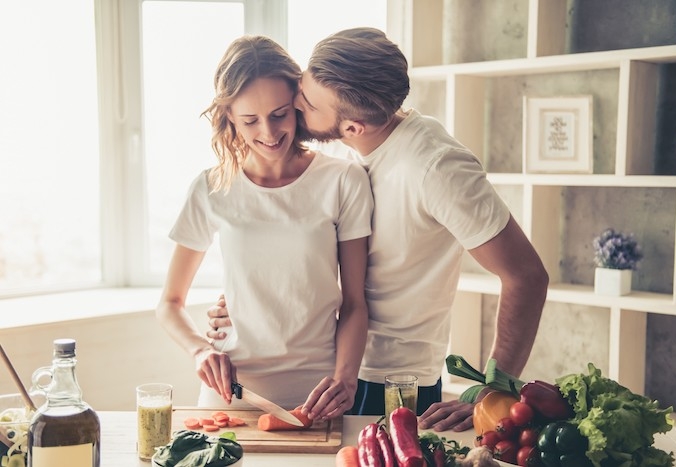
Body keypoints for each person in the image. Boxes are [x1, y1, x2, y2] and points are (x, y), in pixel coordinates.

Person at [207, 28, 549, 431]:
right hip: (326, 365)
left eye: (308, 102)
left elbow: (526, 275)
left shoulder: (437, 168)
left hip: (392, 380)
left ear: (352, 126)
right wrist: (248, 301)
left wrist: (495, 389)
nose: (295, 105)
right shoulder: (341, 140)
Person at [155, 35, 374, 421]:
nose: (269, 133)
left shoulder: (343, 179)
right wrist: (200, 350)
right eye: (250, 120)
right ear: (229, 118)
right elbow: (170, 303)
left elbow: (355, 302)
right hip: (231, 394)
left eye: (279, 114)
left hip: (319, 395)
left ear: (298, 107)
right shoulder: (211, 188)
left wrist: (346, 379)